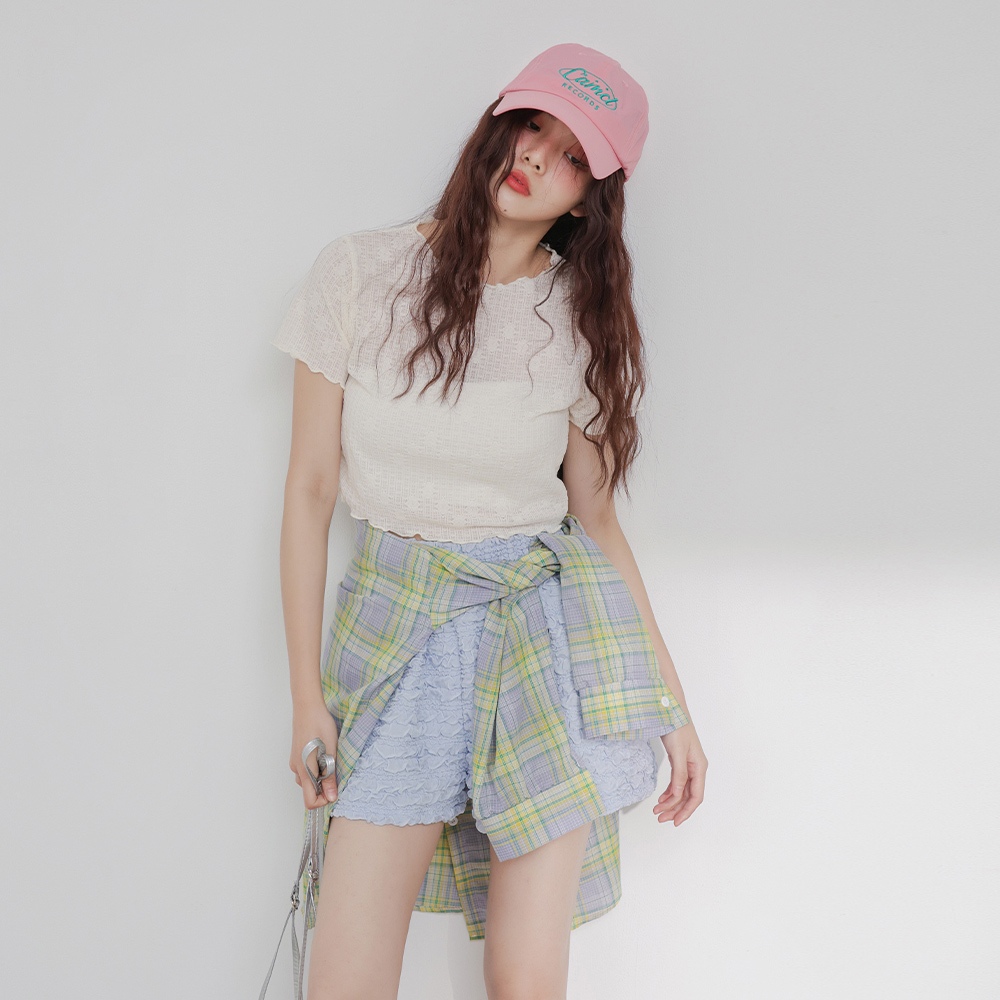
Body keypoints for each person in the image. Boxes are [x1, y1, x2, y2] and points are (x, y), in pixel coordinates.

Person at [271, 41, 708, 1000]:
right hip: (400, 630)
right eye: (532, 127)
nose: (538, 157)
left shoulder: (579, 320)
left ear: (589, 199)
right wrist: (306, 698)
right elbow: (309, 491)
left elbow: (596, 525)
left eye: (573, 156)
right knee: (344, 978)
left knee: (524, 978)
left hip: (541, 641)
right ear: (498, 127)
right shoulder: (360, 272)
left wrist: (668, 706)